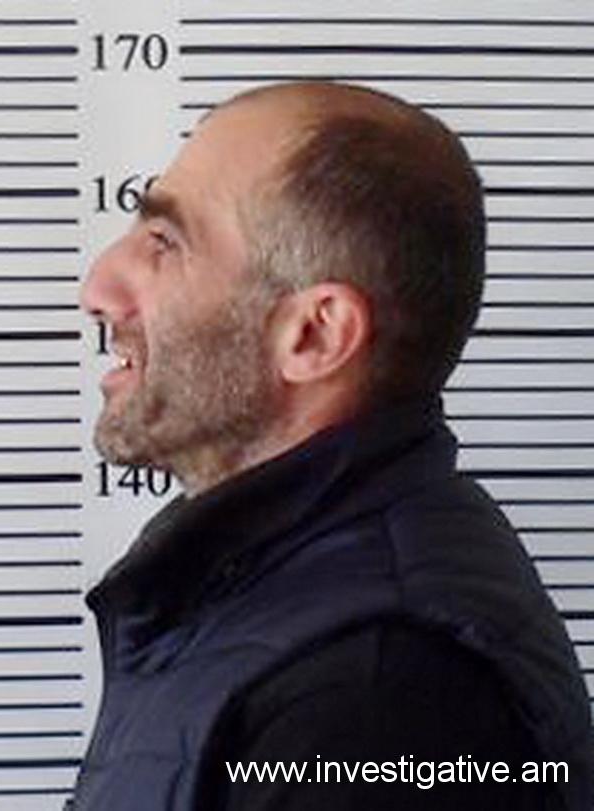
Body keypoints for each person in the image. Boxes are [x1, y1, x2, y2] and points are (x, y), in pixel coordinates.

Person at [70, 81, 592, 810]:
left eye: (165, 242)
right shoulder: (257, 577)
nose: (97, 287)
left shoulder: (377, 702)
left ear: (314, 336)